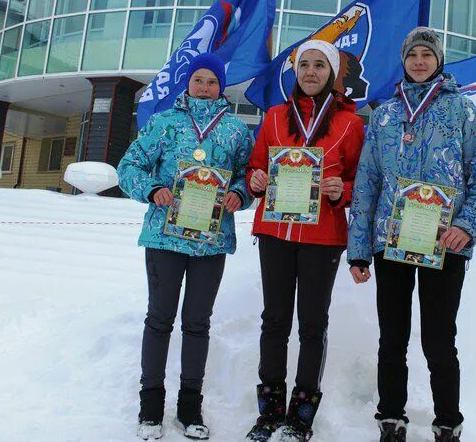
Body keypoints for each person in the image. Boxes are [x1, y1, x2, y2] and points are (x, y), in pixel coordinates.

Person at [347, 27, 476, 442]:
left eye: (426, 55)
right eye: (412, 54)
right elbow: (367, 184)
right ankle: (390, 418)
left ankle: (448, 421)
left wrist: (466, 228)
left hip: (444, 245)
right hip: (390, 244)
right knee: (391, 337)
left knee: (438, 339)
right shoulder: (385, 115)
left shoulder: (461, 111)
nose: (419, 61)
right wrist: (359, 251)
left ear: (439, 61)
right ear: (403, 60)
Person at [117, 52, 253, 441]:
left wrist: (240, 195)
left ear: (221, 87)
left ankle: (190, 406)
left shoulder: (237, 131)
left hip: (210, 242)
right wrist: (153, 189)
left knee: (197, 323)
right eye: (199, 80)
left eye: (212, 82)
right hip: (165, 237)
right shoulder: (164, 123)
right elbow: (129, 167)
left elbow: (249, 174)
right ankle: (150, 406)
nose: (205, 87)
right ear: (188, 83)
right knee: (159, 319)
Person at [244, 39, 365, 442]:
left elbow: (362, 181)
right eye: (304, 66)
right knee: (274, 320)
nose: (310, 72)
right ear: (295, 73)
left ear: (331, 74)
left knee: (312, 325)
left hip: (322, 237)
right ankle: (269, 411)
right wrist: (255, 181)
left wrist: (340, 190)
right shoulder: (276, 116)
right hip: (275, 232)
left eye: (319, 66)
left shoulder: (351, 123)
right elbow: (256, 166)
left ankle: (302, 413)